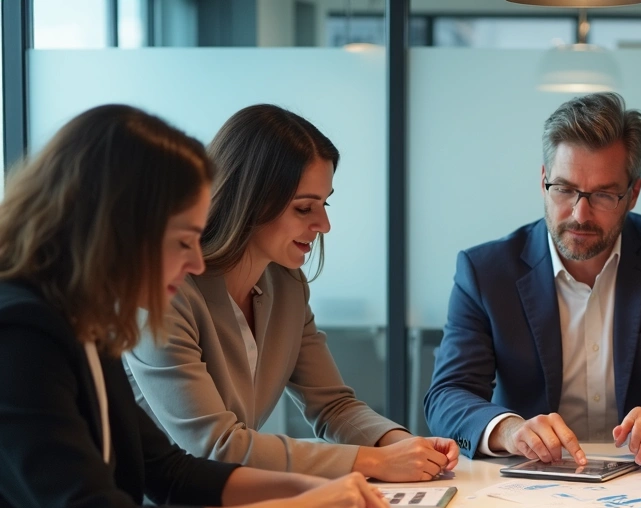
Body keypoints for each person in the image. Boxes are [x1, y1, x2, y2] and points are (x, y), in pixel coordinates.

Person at [0, 104, 394, 508]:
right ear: (118, 229)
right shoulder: (20, 335)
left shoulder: (82, 324)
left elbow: (170, 469)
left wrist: (303, 489)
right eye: (183, 240)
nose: (194, 262)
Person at [126, 105, 457, 481]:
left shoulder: (286, 286)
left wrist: (404, 446)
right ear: (248, 200)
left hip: (229, 502)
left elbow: (333, 405)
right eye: (304, 208)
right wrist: (374, 462)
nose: (324, 225)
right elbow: (215, 447)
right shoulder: (166, 293)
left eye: (325, 203)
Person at [424, 92, 641, 465]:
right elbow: (447, 395)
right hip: (529, 482)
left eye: (603, 194)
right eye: (565, 189)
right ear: (543, 181)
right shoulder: (486, 271)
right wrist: (509, 430)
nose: (579, 214)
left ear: (633, 193)